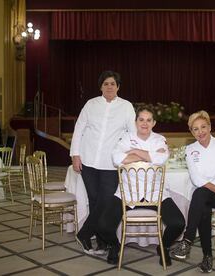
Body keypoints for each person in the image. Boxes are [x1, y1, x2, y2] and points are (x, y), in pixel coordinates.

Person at [97, 107, 185, 265]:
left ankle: (163, 247)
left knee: (178, 223)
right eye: (141, 119)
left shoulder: (159, 139)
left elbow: (161, 158)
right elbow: (117, 158)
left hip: (155, 192)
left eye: (148, 120)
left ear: (154, 123)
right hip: (127, 192)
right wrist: (149, 156)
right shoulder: (125, 137)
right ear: (136, 122)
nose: (145, 123)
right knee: (103, 225)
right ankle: (115, 246)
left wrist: (134, 152)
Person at [70, 70, 136, 255]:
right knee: (94, 200)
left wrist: (131, 155)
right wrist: (75, 154)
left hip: (111, 163)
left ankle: (84, 234)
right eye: (106, 83)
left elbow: (132, 135)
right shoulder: (91, 104)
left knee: (105, 202)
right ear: (101, 86)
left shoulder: (126, 106)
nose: (109, 87)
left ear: (118, 87)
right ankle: (102, 241)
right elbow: (79, 129)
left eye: (113, 84)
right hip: (88, 160)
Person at [171, 110, 215, 273]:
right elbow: (197, 179)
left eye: (203, 127)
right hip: (207, 195)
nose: (200, 132)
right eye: (195, 129)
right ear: (191, 132)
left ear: (210, 127)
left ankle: (187, 241)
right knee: (201, 197)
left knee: (200, 197)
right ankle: (206, 257)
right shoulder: (190, 150)